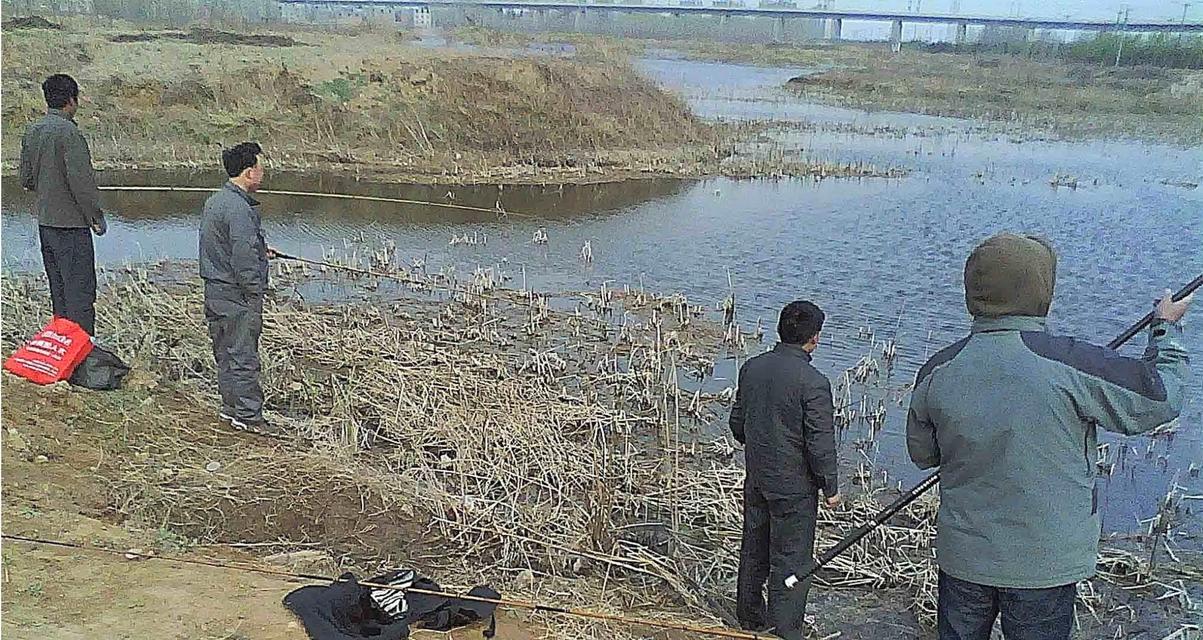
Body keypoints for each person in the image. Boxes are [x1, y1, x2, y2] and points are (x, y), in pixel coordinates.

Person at [907, 233, 1192, 640]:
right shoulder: (1072, 362)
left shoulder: (937, 369)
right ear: (1042, 290)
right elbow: (1161, 398)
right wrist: (1164, 330)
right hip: (1044, 565)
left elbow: (922, 454)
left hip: (963, 558)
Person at [730, 300, 841, 640]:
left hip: (758, 481)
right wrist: (831, 487)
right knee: (791, 560)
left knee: (754, 548)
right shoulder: (814, 382)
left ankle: (749, 618)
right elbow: (820, 444)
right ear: (815, 338)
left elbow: (737, 424)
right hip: (795, 491)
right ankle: (785, 630)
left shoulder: (752, 368)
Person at [199, 141, 278, 436]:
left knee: (225, 352)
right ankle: (249, 416)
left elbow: (224, 244)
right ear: (248, 172)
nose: (263, 173)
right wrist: (255, 289)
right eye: (261, 168)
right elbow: (242, 253)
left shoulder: (216, 201)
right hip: (236, 295)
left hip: (215, 290)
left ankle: (231, 409)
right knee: (243, 355)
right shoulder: (239, 209)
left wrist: (261, 251)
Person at [19, 73, 108, 336]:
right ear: (71, 100)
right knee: (80, 293)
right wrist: (96, 217)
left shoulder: (32, 130)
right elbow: (82, 184)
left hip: (46, 225)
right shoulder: (70, 133)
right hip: (71, 227)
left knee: (59, 293)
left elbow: (25, 179)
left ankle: (61, 349)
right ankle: (82, 355)